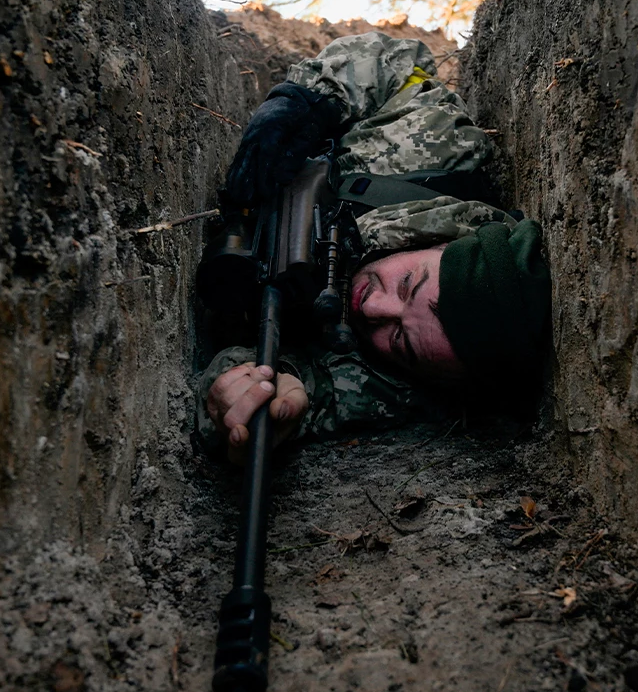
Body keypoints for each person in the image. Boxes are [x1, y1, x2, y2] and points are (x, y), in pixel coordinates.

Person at [197, 32, 551, 465]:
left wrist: (250, 393)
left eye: (400, 340)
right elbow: (399, 56)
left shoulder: (407, 385)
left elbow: (287, 393)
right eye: (406, 284)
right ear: (444, 241)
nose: (374, 310)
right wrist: (306, 102)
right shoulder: (440, 150)